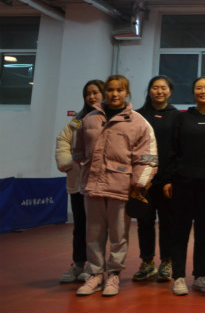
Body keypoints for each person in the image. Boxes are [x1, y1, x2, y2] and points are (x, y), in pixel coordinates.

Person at [72, 75, 158, 297]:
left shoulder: (138, 122)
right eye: (110, 89)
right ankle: (95, 274)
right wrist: (85, 169)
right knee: (93, 234)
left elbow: (148, 157)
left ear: (127, 93)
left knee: (119, 236)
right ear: (105, 92)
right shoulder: (89, 119)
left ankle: (113, 274)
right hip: (92, 187)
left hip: (122, 188)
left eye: (120, 90)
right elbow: (77, 150)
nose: (114, 94)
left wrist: (138, 184)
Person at [169, 77, 205, 296]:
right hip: (183, 184)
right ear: (193, 92)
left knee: (203, 234)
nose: (203, 91)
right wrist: (170, 179)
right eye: (199, 88)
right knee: (180, 232)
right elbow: (172, 149)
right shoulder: (182, 118)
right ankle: (178, 277)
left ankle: (200, 276)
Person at [55, 79, 104, 284]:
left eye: (95, 92)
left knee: (97, 227)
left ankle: (96, 266)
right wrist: (67, 163)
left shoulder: (110, 118)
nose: (91, 96)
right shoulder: (77, 120)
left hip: (101, 183)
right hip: (78, 182)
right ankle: (78, 264)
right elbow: (63, 140)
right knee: (80, 226)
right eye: (88, 93)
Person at [132, 76, 179, 283]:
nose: (159, 91)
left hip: (167, 181)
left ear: (170, 91)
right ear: (149, 90)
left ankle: (167, 262)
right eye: (155, 87)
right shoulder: (138, 116)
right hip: (143, 181)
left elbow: (178, 149)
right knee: (144, 222)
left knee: (168, 223)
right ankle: (147, 262)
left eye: (163, 88)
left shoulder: (177, 116)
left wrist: (171, 179)